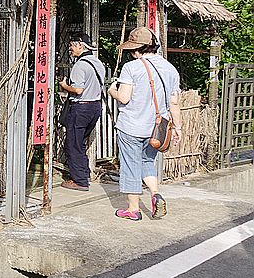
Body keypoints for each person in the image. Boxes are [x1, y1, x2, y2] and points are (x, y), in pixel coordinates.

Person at [108, 27, 182, 221]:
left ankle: (133, 209)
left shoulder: (131, 67)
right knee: (147, 162)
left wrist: (111, 91)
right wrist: (178, 128)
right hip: (156, 129)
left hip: (131, 126)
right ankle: (155, 193)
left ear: (136, 49)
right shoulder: (170, 69)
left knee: (131, 166)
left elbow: (124, 98)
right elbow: (174, 103)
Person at [59, 33, 106, 191]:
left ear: (80, 45)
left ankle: (79, 181)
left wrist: (64, 86)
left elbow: (78, 90)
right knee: (81, 142)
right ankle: (83, 174)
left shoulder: (80, 65)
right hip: (95, 107)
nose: (70, 48)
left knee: (73, 144)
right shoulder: (98, 63)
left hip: (81, 108)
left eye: (72, 45)